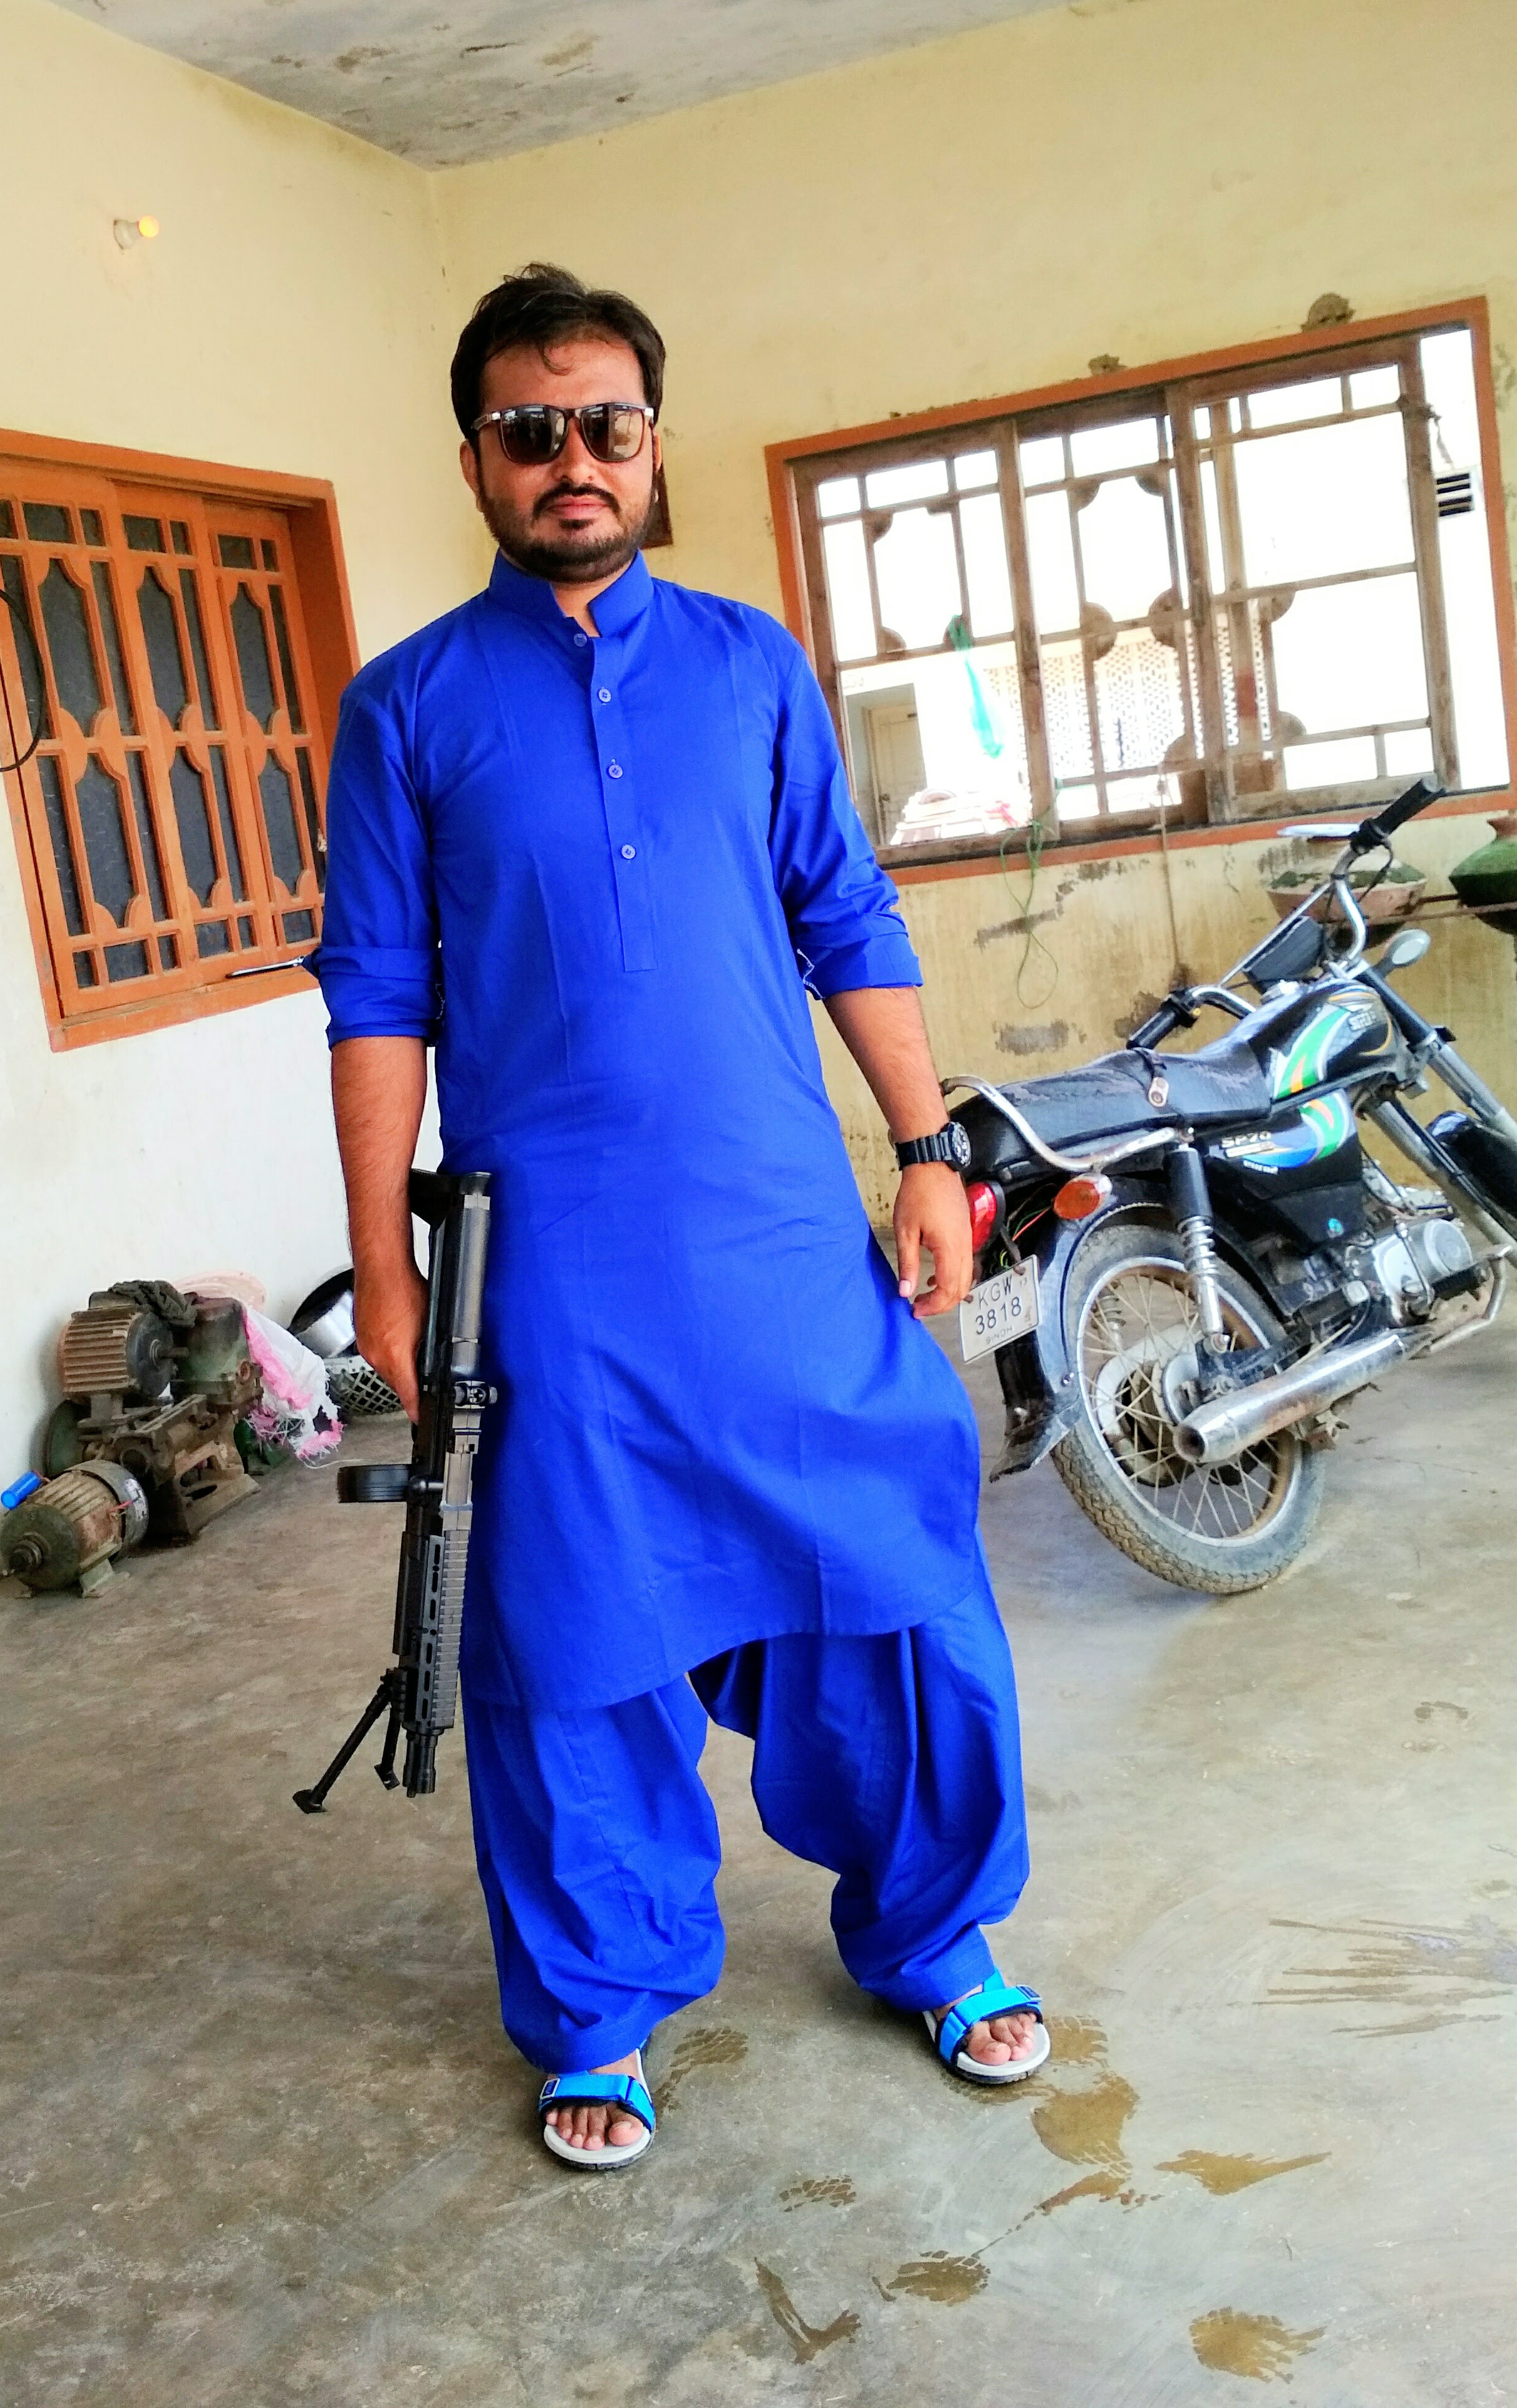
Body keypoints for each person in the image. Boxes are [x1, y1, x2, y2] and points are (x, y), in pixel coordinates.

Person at [315, 263, 1044, 2171]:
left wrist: (926, 1148)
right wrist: (388, 1268)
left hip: (783, 1239)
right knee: (574, 1627)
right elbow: (375, 995)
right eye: (528, 429)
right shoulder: (406, 707)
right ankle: (600, 2006)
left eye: (606, 424)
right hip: (557, 1269)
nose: (571, 458)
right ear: (476, 458)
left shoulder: (751, 666)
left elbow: (846, 912)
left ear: (652, 445)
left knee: (893, 1568)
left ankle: (935, 1932)